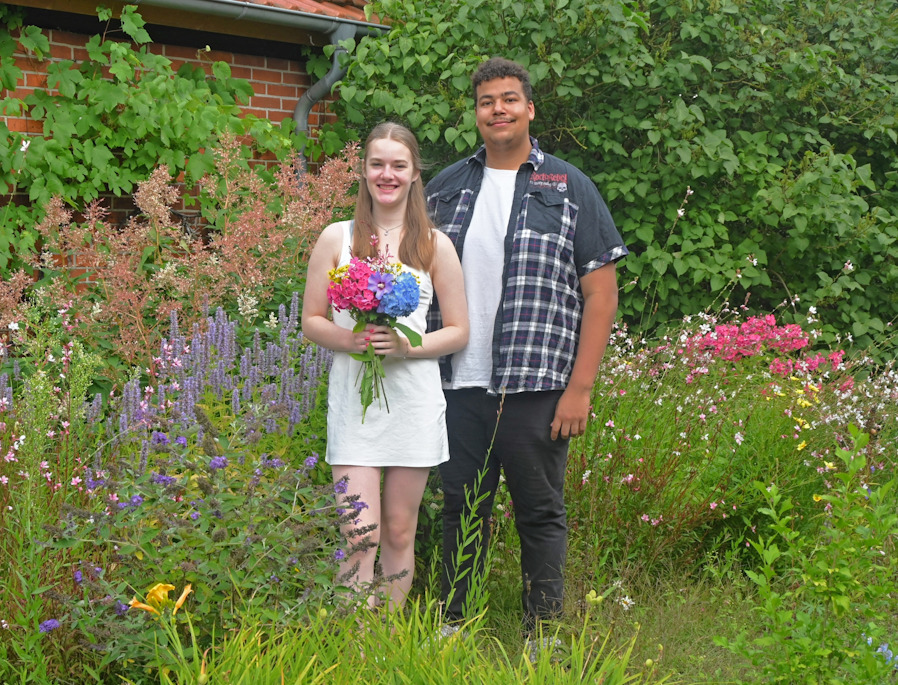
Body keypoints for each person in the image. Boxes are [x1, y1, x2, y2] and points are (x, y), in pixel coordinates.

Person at [425, 57, 627, 631]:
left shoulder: (569, 186)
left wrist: (579, 389)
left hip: (538, 385)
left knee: (539, 513)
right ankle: (454, 623)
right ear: (476, 113)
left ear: (530, 109)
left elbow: (602, 294)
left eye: (509, 99)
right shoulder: (444, 189)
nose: (498, 110)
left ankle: (543, 632)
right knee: (461, 510)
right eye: (487, 101)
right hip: (457, 383)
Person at [302, 122, 469, 610]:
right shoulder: (336, 238)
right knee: (360, 534)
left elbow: (459, 330)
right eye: (377, 164)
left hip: (413, 405)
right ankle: (353, 639)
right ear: (363, 170)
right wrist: (351, 338)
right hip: (354, 406)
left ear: (415, 173)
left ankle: (388, 636)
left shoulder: (434, 244)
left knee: (398, 530)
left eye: (398, 165)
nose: (387, 174)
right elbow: (311, 320)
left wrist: (404, 347)